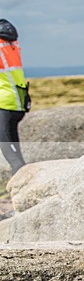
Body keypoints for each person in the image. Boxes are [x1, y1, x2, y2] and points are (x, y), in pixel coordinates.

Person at [0, 19, 30, 175]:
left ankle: (21, 176)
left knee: (6, 145)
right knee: (12, 143)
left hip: (3, 103)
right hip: (18, 101)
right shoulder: (11, 44)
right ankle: (23, 175)